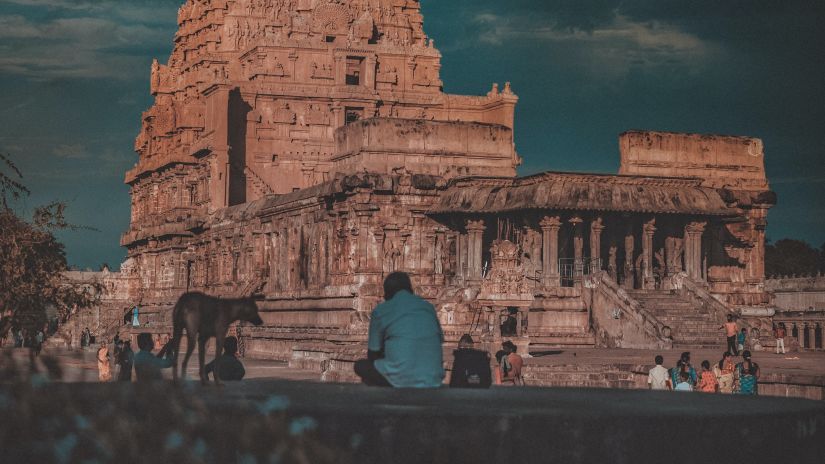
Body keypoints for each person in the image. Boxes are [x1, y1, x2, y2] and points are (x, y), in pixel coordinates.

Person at [354, 272, 444, 388]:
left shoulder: (381, 310)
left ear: (387, 293)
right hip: (432, 379)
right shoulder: (428, 307)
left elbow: (373, 353)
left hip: (401, 380)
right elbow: (439, 341)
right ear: (410, 289)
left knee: (361, 366)